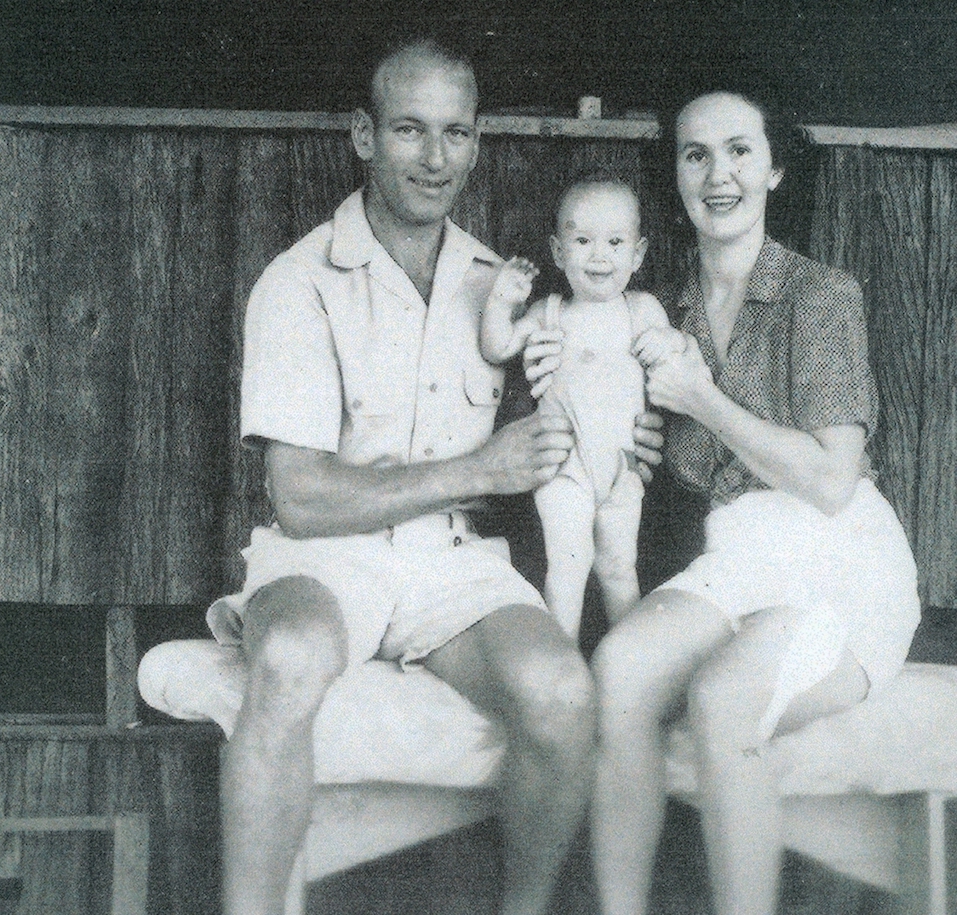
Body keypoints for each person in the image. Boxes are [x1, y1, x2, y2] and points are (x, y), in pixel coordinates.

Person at [203, 34, 661, 915]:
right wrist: (477, 466)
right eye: (410, 130)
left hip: (452, 562)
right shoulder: (299, 281)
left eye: (455, 132)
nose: (436, 156)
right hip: (323, 557)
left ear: (478, 141)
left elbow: (566, 411)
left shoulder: (500, 282)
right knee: (292, 650)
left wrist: (621, 441)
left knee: (564, 692)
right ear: (364, 136)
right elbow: (298, 497)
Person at [576, 89, 922, 915]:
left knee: (721, 698)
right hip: (736, 555)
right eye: (694, 154)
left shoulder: (819, 294)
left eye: (738, 150)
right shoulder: (659, 310)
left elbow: (832, 481)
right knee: (619, 670)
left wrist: (700, 400)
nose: (717, 173)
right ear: (676, 174)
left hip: (839, 558)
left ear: (773, 168)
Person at [480, 176, 684, 637]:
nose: (599, 255)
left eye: (615, 242)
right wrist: (500, 302)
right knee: (568, 565)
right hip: (565, 464)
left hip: (624, 465)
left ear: (638, 254)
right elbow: (497, 347)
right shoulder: (549, 313)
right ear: (557, 251)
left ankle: (627, 667)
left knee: (619, 565)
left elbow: (683, 358)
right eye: (583, 240)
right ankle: (564, 657)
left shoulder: (643, 311)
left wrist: (672, 341)